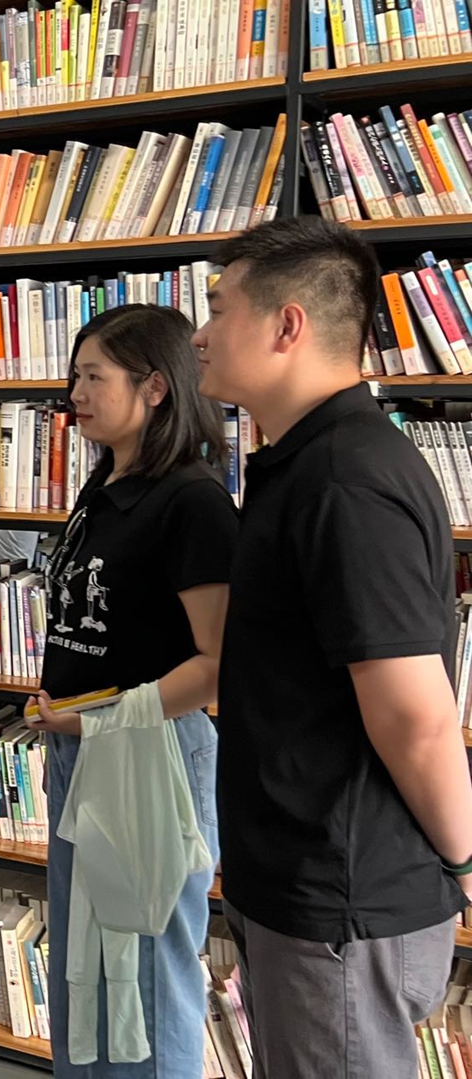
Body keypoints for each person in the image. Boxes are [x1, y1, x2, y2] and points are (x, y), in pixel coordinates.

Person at [194, 215, 472, 1077]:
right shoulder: (300, 461)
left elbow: (415, 716)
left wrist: (464, 859)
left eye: (218, 308)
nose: (198, 333)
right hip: (296, 879)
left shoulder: (347, 479)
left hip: (342, 898)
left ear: (287, 325)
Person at [20, 304, 237, 1074]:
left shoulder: (192, 501)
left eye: (93, 377)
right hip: (85, 749)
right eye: (74, 375)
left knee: (144, 980)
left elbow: (218, 661)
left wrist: (103, 721)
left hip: (151, 756)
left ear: (154, 386)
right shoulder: (103, 482)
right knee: (85, 968)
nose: (75, 393)